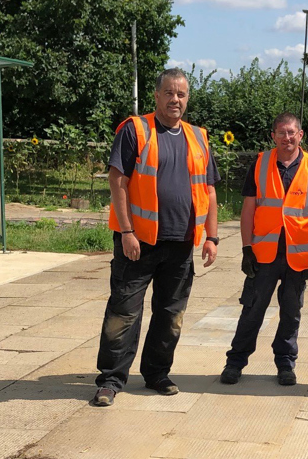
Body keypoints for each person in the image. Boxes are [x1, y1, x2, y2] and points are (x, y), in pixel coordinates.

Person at [92, 68, 220, 407]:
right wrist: (127, 231)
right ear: (157, 95)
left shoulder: (198, 137)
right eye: (169, 93)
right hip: (139, 242)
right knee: (123, 313)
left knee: (170, 314)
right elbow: (117, 180)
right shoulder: (136, 129)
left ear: (187, 98)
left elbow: (208, 189)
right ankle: (111, 380)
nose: (175, 99)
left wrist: (212, 236)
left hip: (180, 244)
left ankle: (156, 373)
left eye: (181, 94)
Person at [220, 112, 308, 386]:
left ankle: (285, 364)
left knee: (291, 312)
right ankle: (235, 362)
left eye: (292, 132)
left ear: (300, 135)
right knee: (252, 310)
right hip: (264, 254)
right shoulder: (260, 164)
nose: (287, 137)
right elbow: (248, 210)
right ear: (273, 136)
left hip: (299, 255)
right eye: (281, 132)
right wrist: (246, 248)